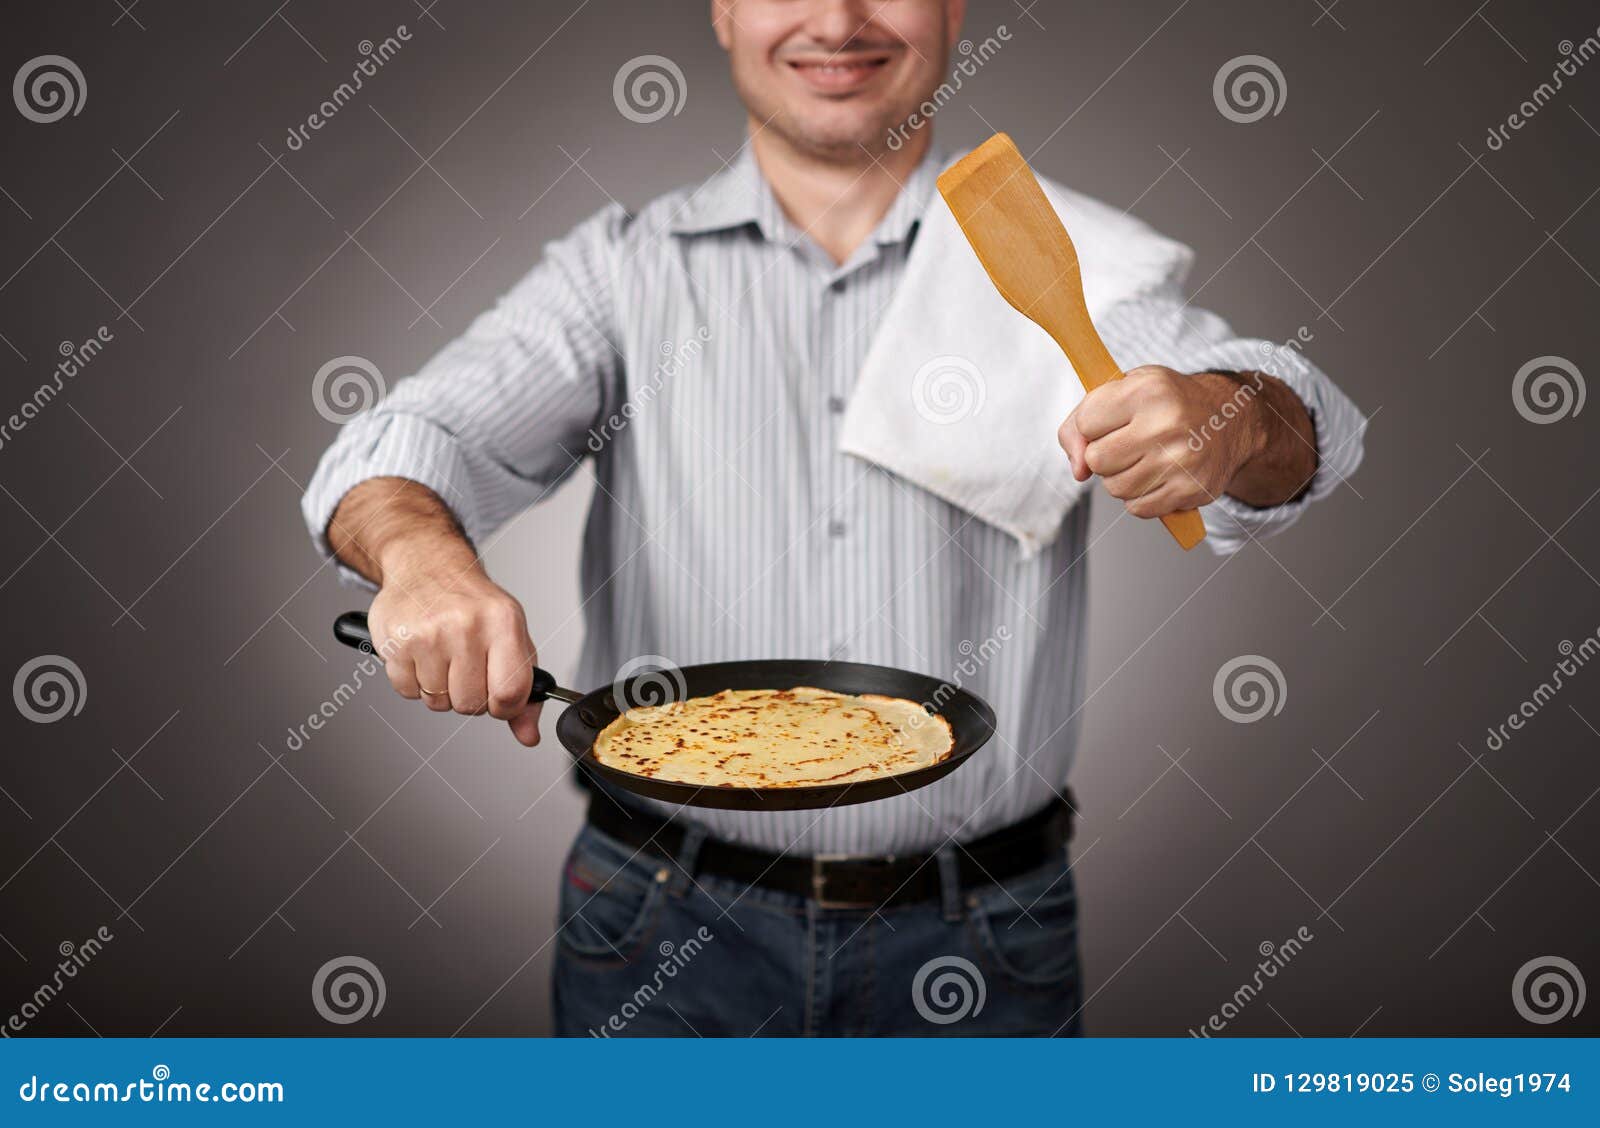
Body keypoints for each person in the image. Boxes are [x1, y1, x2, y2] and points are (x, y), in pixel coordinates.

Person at [303, 0, 1365, 1035]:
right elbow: (411, 441)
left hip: (983, 939)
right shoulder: (618, 271)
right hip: (660, 928)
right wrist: (419, 554)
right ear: (722, 11)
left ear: (956, 10)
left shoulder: (1052, 259)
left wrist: (1226, 422)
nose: (838, 18)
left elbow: (1290, 412)